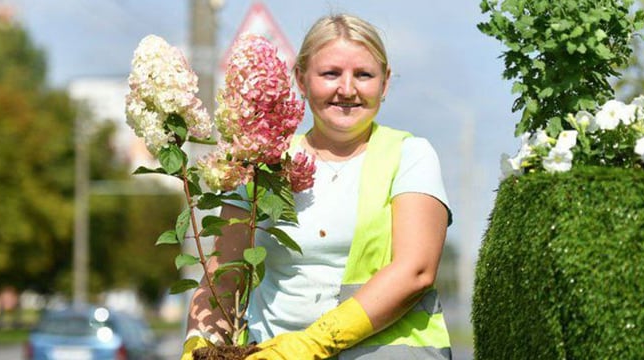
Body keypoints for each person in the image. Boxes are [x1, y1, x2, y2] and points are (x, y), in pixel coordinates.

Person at [183, 13, 453, 360]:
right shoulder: (259, 160)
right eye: (330, 74)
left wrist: (309, 345)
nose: (347, 89)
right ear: (301, 78)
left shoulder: (409, 155)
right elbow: (223, 277)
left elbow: (416, 271)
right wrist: (199, 343)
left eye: (364, 75)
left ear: (385, 83)